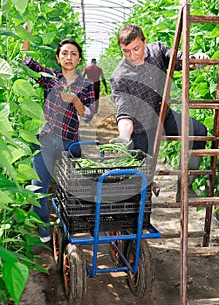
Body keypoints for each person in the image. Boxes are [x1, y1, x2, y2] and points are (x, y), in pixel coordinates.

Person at [109, 24, 208, 202]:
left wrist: (194, 59)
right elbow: (124, 112)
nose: (132, 56)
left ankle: (185, 187)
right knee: (141, 180)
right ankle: (141, 215)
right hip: (141, 127)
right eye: (126, 51)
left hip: (164, 115)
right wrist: (124, 136)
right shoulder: (119, 76)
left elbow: (178, 59)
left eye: (136, 49)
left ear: (144, 42)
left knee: (198, 132)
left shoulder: (157, 50)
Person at [21, 38, 95, 246]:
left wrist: (76, 101)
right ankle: (45, 231)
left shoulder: (86, 85)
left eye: (73, 53)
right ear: (58, 57)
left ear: (79, 59)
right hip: (45, 139)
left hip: (69, 142)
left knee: (69, 189)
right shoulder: (50, 78)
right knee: (38, 188)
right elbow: (26, 61)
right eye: (64, 53)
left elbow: (88, 116)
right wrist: (25, 36)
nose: (68, 57)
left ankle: (66, 229)